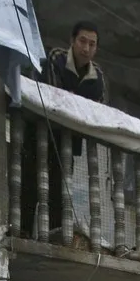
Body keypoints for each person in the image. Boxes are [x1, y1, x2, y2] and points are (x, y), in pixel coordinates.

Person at [40, 20, 107, 232]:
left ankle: (55, 234)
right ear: (72, 40)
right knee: (33, 184)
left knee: (60, 189)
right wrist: (79, 106)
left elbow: (98, 112)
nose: (86, 48)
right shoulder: (56, 58)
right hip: (43, 132)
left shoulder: (98, 77)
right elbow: (55, 99)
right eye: (82, 41)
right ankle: (23, 230)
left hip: (68, 141)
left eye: (92, 44)